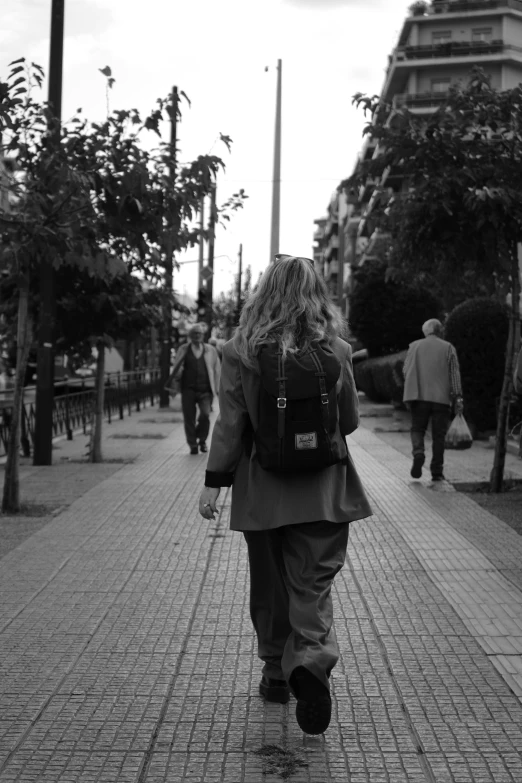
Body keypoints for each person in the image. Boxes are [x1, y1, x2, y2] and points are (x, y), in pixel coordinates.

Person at [197, 255, 372, 735]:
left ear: (263, 292)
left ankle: (276, 674)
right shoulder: (335, 348)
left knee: (270, 587)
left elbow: (230, 424)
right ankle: (311, 663)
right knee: (312, 585)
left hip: (263, 492)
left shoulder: (240, 351)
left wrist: (214, 483)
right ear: (317, 294)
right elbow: (349, 422)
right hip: (324, 490)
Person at [403, 318, 463, 482]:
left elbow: (405, 370)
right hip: (441, 399)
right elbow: (454, 375)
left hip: (418, 395)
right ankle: (437, 472)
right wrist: (458, 397)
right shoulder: (448, 348)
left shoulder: (414, 346)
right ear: (439, 331)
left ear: (426, 331)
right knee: (438, 436)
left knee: (417, 429)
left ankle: (418, 453)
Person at [167, 323, 221, 454]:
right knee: (189, 418)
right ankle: (193, 445)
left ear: (203, 335)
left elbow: (217, 369)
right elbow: (177, 367)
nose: (197, 336)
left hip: (206, 390)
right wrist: (175, 382)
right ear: (190, 336)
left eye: (199, 333)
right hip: (188, 389)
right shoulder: (183, 349)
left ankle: (202, 440)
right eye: (194, 333)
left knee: (205, 415)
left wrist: (218, 388)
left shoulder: (210, 350)